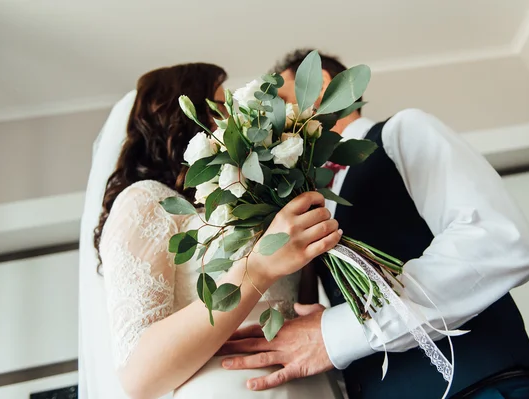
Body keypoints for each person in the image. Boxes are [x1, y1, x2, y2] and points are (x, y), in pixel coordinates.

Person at [218, 50, 529, 399]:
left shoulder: (401, 132)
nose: (274, 126)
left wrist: (336, 332)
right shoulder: (310, 201)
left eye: (282, 102)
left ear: (319, 84)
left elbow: (498, 241)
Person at [78, 63, 344, 399]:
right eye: (219, 107)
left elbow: (300, 309)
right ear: (180, 118)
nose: (233, 118)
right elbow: (139, 377)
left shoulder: (260, 201)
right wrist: (255, 269)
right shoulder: (146, 201)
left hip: (310, 385)